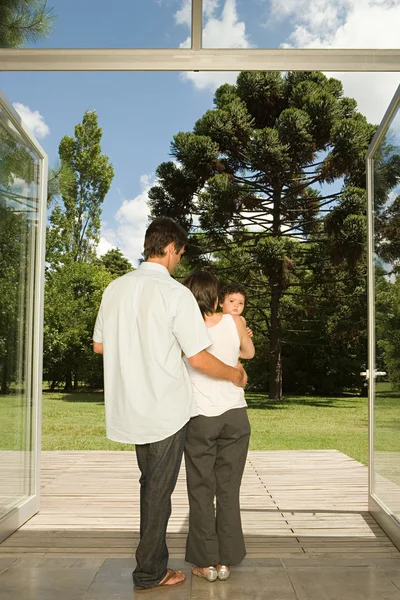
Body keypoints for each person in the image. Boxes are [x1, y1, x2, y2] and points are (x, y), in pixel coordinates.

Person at [92, 217, 247, 593]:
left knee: (151, 485)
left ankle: (152, 564)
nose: (180, 261)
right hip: (165, 410)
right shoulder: (175, 293)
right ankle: (150, 572)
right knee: (159, 491)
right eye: (180, 253)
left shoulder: (114, 288)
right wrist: (234, 375)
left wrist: (138, 344)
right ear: (173, 248)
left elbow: (99, 346)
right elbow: (198, 359)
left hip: (130, 406)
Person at [183, 271, 255, 583]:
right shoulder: (235, 322)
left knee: (202, 490)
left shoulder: (184, 329)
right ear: (216, 298)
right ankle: (227, 559)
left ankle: (206, 563)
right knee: (229, 489)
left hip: (201, 418)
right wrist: (238, 369)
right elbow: (248, 355)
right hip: (236, 416)